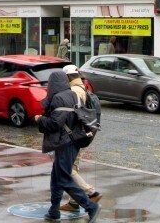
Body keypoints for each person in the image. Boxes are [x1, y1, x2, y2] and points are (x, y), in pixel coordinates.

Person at [35, 69, 99, 222]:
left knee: (63, 178)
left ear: (53, 83)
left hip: (65, 142)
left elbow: (55, 123)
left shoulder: (58, 98)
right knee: (56, 177)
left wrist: (39, 119)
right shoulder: (73, 94)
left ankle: (90, 206)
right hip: (75, 141)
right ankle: (54, 211)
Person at [60, 65, 102, 212]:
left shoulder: (74, 91)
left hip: (74, 135)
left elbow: (70, 114)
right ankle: (73, 202)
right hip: (83, 134)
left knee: (65, 169)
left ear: (67, 77)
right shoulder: (83, 87)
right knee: (73, 167)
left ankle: (92, 193)